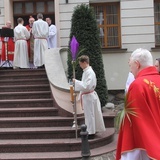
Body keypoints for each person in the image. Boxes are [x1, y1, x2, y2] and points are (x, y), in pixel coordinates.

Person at [116, 48, 160, 160]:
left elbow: (135, 123)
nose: (131, 70)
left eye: (130, 65)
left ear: (137, 64)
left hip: (148, 145)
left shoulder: (137, 85)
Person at [73, 55, 105, 139]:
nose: (80, 66)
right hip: (88, 95)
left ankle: (91, 132)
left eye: (80, 64)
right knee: (90, 114)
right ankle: (92, 130)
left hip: (89, 96)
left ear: (84, 63)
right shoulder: (86, 71)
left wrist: (76, 82)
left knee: (90, 115)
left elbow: (87, 86)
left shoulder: (89, 72)